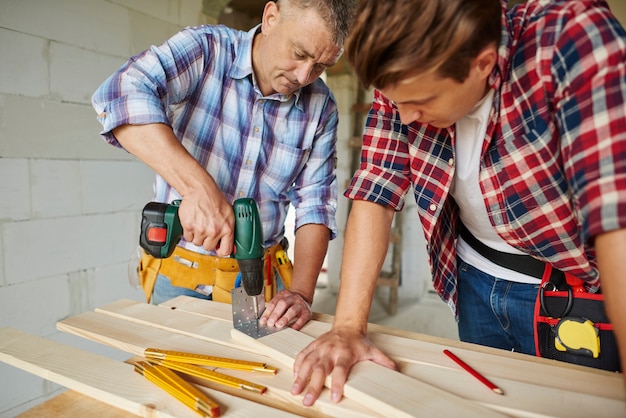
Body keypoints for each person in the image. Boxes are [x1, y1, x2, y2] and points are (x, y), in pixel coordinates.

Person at [292, 0, 626, 406]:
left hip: (574, 287)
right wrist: (346, 326)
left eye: (422, 101)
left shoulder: (571, 38)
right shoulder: (404, 66)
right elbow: (377, 186)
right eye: (397, 102)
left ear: (482, 63)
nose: (407, 118)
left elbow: (613, 214)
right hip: (472, 277)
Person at [92, 0, 356, 330]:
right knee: (172, 372)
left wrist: (301, 292)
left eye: (320, 66)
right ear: (271, 17)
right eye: (299, 54)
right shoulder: (206, 50)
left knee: (248, 374)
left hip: (256, 280)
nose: (304, 76)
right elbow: (119, 93)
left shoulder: (322, 108)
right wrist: (198, 189)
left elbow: (316, 204)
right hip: (178, 273)